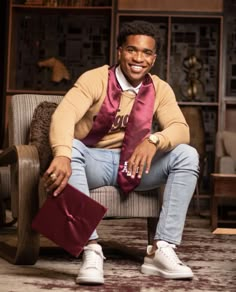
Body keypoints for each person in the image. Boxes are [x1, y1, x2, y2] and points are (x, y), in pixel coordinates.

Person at [43, 20, 199, 285]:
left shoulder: (159, 88)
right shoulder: (95, 78)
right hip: (94, 161)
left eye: (146, 52)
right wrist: (61, 153)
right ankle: (90, 250)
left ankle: (161, 249)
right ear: (119, 52)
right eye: (131, 50)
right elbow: (64, 115)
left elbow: (181, 129)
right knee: (74, 148)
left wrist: (154, 140)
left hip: (136, 165)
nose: (138, 58)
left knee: (187, 154)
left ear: (154, 58)